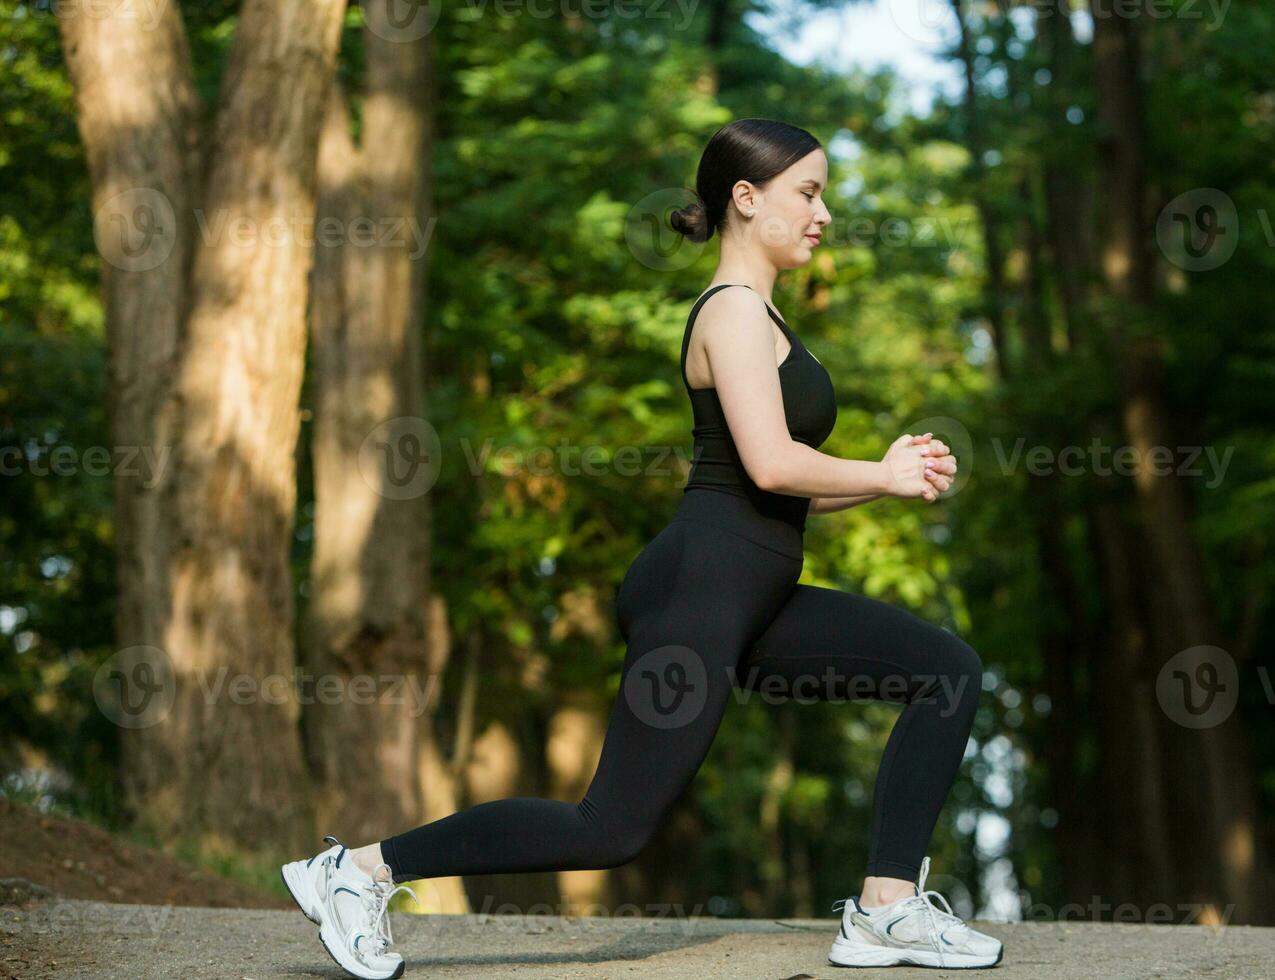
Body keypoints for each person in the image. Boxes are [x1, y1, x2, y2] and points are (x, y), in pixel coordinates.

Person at [280, 117, 1002, 977]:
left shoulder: (766, 318)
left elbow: (780, 490)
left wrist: (889, 478)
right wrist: (879, 475)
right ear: (746, 198)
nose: (825, 214)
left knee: (944, 671)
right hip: (698, 591)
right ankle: (356, 872)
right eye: (808, 192)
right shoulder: (731, 315)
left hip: (750, 595)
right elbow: (771, 467)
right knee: (610, 828)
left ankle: (886, 909)